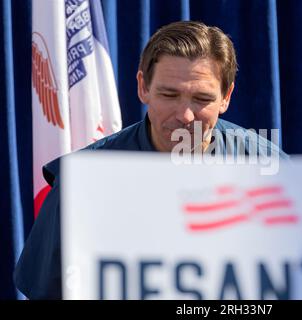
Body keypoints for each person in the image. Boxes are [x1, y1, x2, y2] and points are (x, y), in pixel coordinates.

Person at [14, 20, 288, 299]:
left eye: (202, 98)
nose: (186, 115)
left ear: (226, 97)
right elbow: (47, 290)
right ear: (143, 87)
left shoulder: (267, 167)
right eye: (169, 94)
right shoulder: (82, 180)